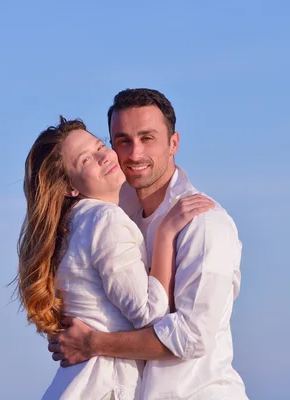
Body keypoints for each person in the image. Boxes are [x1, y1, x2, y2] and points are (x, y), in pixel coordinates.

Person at [48, 89, 249, 399]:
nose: (135, 154)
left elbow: (191, 338)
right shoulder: (114, 214)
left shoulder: (204, 223)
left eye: (148, 138)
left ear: (174, 143)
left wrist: (93, 343)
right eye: (123, 141)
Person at [15, 116, 214, 399]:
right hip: (106, 386)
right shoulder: (104, 219)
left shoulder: (70, 226)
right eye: (85, 161)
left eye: (99, 146)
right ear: (70, 187)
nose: (102, 157)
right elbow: (149, 313)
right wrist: (165, 235)